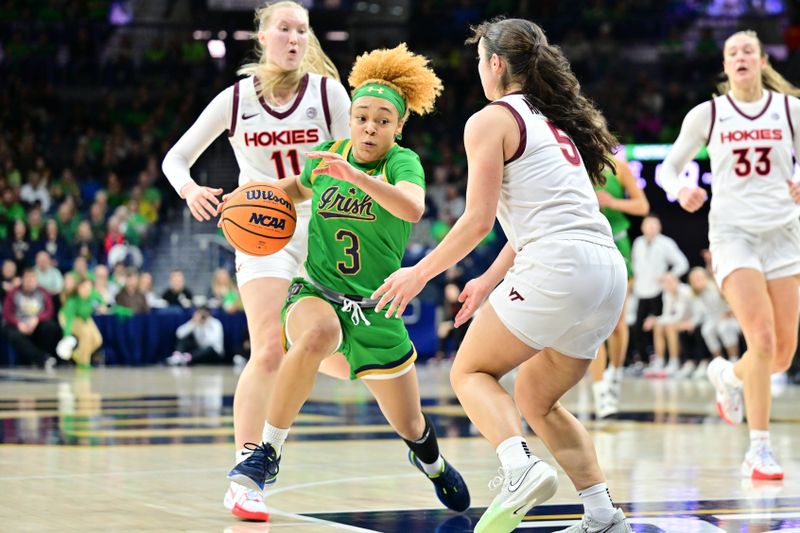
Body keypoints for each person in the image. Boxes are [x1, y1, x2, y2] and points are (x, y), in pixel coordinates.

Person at [372, 18, 631, 533]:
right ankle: (603, 515)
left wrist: (419, 272)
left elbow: (478, 220)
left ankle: (519, 469)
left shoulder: (490, 119)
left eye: (478, 61)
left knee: (469, 373)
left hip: (559, 264)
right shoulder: (558, 123)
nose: (478, 70)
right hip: (606, 271)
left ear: (495, 63)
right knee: (536, 398)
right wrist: (489, 280)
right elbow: (532, 221)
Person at [228, 43, 470, 515]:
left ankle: (431, 461)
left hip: (376, 308)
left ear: (398, 126)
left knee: (411, 424)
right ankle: (266, 454)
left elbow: (412, 205)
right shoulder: (327, 157)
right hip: (316, 292)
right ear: (351, 117)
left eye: (382, 119)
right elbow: (292, 191)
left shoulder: (402, 163)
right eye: (361, 117)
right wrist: (245, 197)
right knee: (315, 332)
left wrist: (356, 178)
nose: (369, 127)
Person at [161, 0, 353, 521]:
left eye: (302, 31)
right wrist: (190, 189)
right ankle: (246, 472)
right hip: (262, 234)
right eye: (284, 29)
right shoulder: (236, 99)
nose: (294, 38)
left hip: (322, 233)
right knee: (267, 346)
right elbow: (175, 157)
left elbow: (354, 158)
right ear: (263, 36)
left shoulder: (328, 93)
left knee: (337, 353)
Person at [659, 30, 800, 480]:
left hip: (783, 234)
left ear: (761, 61)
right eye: (732, 52)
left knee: (779, 355)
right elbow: (667, 167)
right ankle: (759, 450)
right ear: (726, 65)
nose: (740, 57)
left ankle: (730, 377)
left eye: (747, 51)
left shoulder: (790, 111)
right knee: (759, 340)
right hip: (732, 234)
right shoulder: (710, 113)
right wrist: (680, 188)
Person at [588, 154, 649, 418]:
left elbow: (642, 206)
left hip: (618, 242)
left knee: (618, 322)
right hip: (589, 243)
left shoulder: (619, 168)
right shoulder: (574, 163)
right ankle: (600, 391)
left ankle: (615, 373)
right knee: (595, 323)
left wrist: (614, 202)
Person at [630, 213, 689, 369]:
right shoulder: (638, 243)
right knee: (638, 329)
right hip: (640, 291)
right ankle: (643, 361)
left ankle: (665, 360)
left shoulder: (666, 243)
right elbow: (635, 266)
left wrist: (669, 276)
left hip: (658, 292)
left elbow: (682, 263)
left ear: (659, 227)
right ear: (642, 227)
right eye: (648, 225)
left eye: (654, 224)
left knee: (658, 327)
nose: (651, 228)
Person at [2, 268, 61, 368]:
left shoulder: (43, 292)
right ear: (22, 280)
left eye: (32, 278)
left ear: (36, 280)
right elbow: (7, 313)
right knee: (9, 332)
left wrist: (37, 319)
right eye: (27, 278)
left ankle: (41, 357)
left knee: (50, 326)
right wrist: (18, 323)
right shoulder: (13, 292)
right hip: (18, 325)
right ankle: (41, 358)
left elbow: (49, 310)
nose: (30, 281)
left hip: (37, 324)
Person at [57, 278, 104, 367]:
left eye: (89, 287)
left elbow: (100, 299)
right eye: (84, 287)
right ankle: (84, 362)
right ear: (78, 288)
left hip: (85, 318)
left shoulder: (92, 296)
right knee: (86, 335)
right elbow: (69, 319)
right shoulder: (72, 301)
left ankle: (78, 354)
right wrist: (66, 335)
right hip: (69, 317)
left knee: (97, 340)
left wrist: (101, 304)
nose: (86, 290)